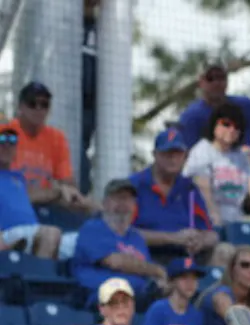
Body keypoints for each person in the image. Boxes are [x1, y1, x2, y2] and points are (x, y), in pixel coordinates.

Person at [127, 128, 219, 261]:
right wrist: (172, 238)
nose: (173, 158)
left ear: (185, 156)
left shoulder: (189, 188)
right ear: (155, 155)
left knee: (224, 251)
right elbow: (123, 233)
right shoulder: (134, 185)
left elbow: (212, 234)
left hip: (184, 260)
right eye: (167, 153)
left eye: (178, 153)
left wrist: (201, 241)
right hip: (144, 257)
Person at [2, 81, 93, 214]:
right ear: (21, 107)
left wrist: (69, 193)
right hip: (10, 204)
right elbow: (9, 190)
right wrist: (55, 192)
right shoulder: (5, 134)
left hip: (45, 205)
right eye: (32, 103)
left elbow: (67, 183)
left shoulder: (56, 137)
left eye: (44, 104)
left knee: (90, 208)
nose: (38, 109)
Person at [184, 102, 250, 231]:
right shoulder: (202, 150)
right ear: (214, 124)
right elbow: (203, 189)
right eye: (226, 124)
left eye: (236, 127)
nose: (231, 130)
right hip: (206, 220)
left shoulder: (239, 155)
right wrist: (215, 217)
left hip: (236, 217)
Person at [73, 178, 167, 301]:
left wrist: (160, 280)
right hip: (103, 298)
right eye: (118, 198)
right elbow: (115, 261)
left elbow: (148, 273)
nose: (124, 204)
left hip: (138, 299)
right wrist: (156, 270)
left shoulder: (136, 238)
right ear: (105, 203)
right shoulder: (92, 228)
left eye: (128, 199)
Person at [0, 124, 60, 258]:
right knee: (51, 234)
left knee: (81, 241)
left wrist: (61, 191)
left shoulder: (19, 178)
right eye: (2, 140)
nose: (7, 145)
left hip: (31, 233)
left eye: (12, 141)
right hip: (7, 233)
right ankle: (39, 277)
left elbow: (41, 194)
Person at [142, 258, 209, 325]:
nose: (190, 283)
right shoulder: (158, 309)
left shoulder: (197, 315)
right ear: (172, 281)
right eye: (184, 278)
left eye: (194, 278)